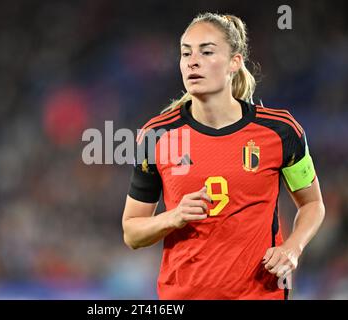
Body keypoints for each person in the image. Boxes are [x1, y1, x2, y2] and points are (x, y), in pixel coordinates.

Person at [121, 12, 325, 300]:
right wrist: (174, 216)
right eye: (185, 53)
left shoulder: (281, 131)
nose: (192, 61)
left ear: (235, 62)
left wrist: (293, 248)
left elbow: (313, 204)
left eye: (206, 52)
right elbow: (132, 232)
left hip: (261, 294)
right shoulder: (156, 135)